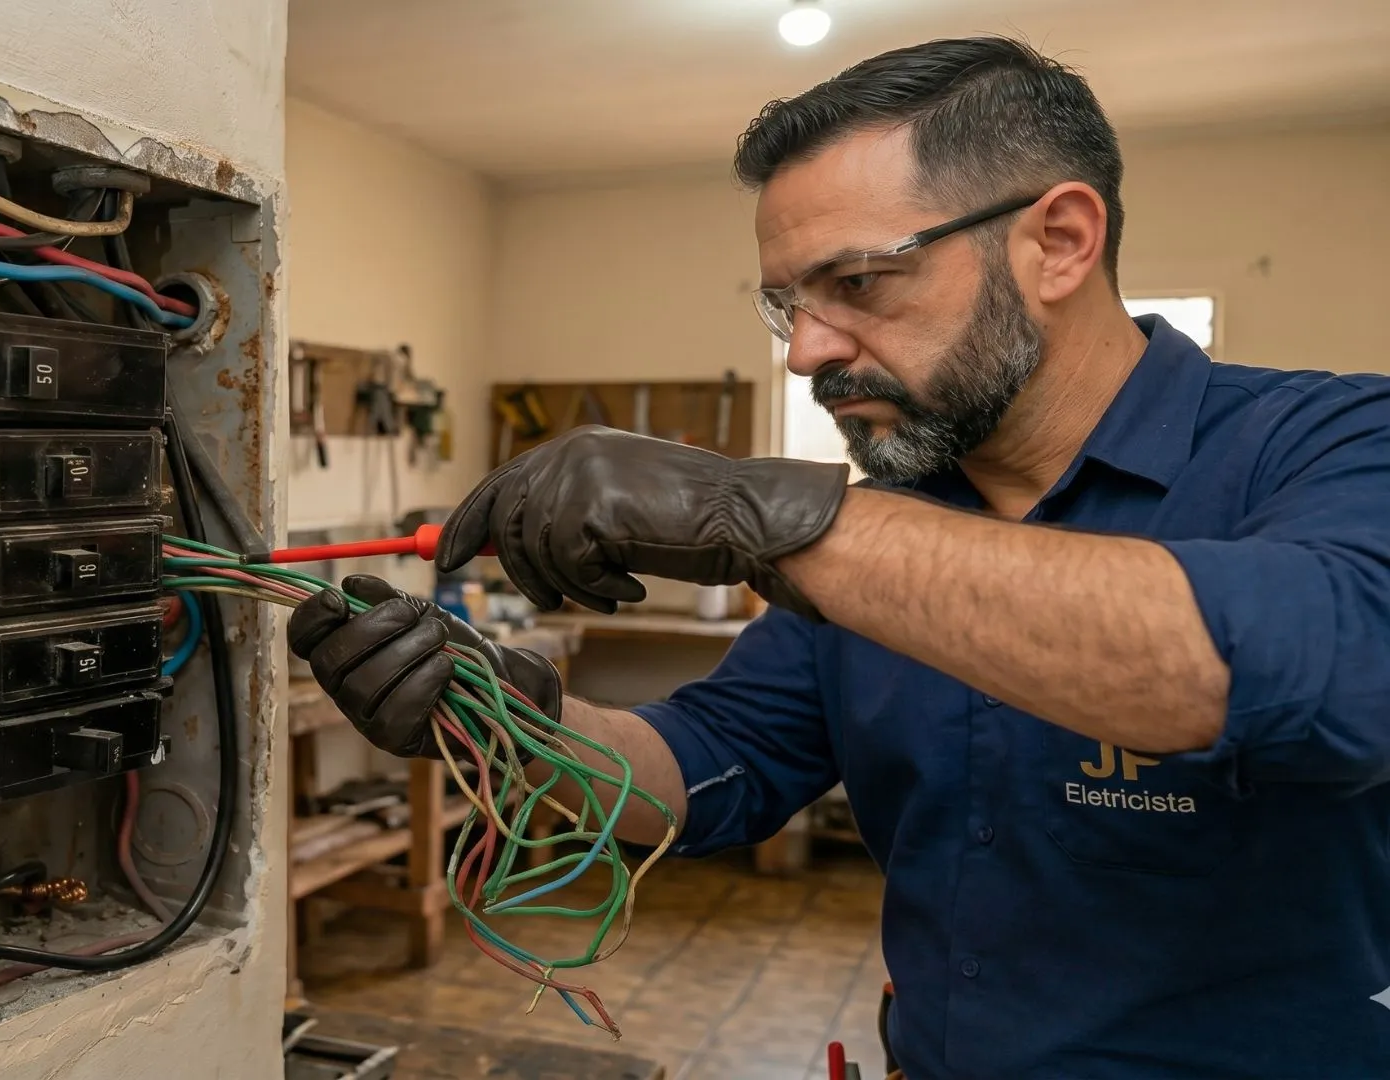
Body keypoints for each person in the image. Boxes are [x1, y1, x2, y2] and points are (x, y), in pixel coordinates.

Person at [286, 35, 1390, 1080]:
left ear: (1058, 242)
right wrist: (503, 726)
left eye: (857, 284)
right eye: (787, 305)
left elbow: (1303, 669)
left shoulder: (1335, 446)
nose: (809, 349)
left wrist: (764, 511)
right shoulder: (887, 530)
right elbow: (707, 773)